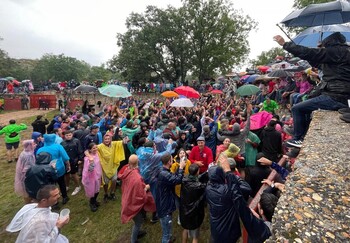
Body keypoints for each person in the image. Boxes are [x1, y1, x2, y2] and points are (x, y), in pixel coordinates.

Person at [274, 33, 350, 148]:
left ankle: (298, 138)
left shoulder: (336, 51)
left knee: (297, 108)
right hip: (340, 94)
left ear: (329, 42)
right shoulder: (342, 52)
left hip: (335, 96)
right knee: (307, 100)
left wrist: (285, 44)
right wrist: (316, 53)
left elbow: (309, 52)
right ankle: (302, 131)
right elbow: (318, 63)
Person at [118, 154, 156, 243]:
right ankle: (133, 240)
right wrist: (146, 187)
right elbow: (140, 195)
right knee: (138, 222)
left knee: (137, 220)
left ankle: (138, 232)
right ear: (138, 162)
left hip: (127, 199)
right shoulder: (137, 177)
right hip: (132, 203)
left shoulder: (127, 170)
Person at [156, 152, 186, 243]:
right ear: (169, 162)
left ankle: (169, 237)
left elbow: (173, 177)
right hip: (165, 207)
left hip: (165, 203)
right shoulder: (164, 174)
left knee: (168, 227)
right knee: (165, 233)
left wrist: (179, 168)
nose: (173, 160)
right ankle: (166, 239)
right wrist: (181, 167)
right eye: (172, 159)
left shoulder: (164, 170)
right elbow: (177, 180)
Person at [36, 134, 71, 205]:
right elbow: (65, 158)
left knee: (50, 185)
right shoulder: (58, 146)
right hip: (59, 168)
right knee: (62, 183)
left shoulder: (40, 149)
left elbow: (38, 161)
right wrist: (68, 165)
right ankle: (64, 197)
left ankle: (54, 202)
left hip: (47, 171)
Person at [179, 163, 206, 243]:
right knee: (195, 237)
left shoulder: (184, 179)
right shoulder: (199, 186)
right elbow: (204, 186)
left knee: (185, 229)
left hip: (184, 212)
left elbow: (196, 178)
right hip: (194, 215)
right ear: (197, 172)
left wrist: (206, 172)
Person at [61, 130, 84, 196]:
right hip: (65, 161)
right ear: (64, 136)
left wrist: (80, 159)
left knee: (74, 174)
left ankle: (78, 186)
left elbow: (80, 150)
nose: (68, 137)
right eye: (67, 135)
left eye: (69, 135)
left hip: (74, 160)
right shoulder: (62, 143)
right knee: (66, 174)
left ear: (72, 135)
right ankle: (67, 186)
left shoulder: (76, 141)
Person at [14, 140, 36, 204]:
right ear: (29, 146)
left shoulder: (24, 152)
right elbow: (30, 166)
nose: (35, 145)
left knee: (25, 190)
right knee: (28, 190)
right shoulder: (29, 155)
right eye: (33, 144)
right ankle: (29, 203)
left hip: (23, 174)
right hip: (27, 175)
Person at [82, 143, 102, 212]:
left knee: (97, 190)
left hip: (98, 175)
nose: (95, 149)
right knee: (92, 191)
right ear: (90, 150)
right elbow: (89, 169)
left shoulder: (97, 154)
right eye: (93, 148)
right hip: (91, 178)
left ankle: (94, 201)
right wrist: (91, 161)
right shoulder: (87, 158)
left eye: (96, 147)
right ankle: (92, 203)